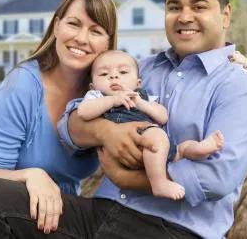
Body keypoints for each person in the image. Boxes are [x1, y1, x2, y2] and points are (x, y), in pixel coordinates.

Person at [0, 0, 247, 239]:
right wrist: (104, 132)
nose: (184, 17)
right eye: (174, 6)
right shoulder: (141, 69)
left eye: (199, 6)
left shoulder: (241, 89)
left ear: (225, 14)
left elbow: (216, 178)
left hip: (170, 229)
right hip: (99, 213)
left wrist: (129, 178)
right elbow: (69, 124)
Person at [0, 0, 137, 239]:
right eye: (73, 24)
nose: (81, 38)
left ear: (108, 42)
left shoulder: (104, 96)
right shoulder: (22, 85)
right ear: (56, 26)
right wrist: (31, 175)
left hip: (51, 218)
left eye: (95, 31)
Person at [78, 49, 224, 201]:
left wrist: (142, 103)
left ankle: (200, 150)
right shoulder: (97, 96)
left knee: (182, 148)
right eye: (104, 74)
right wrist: (112, 100)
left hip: (156, 149)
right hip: (133, 145)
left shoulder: (140, 96)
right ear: (93, 86)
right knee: (156, 136)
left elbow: (162, 116)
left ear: (138, 83)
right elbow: (83, 112)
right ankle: (159, 182)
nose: (114, 76)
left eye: (122, 72)